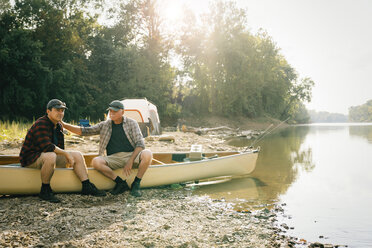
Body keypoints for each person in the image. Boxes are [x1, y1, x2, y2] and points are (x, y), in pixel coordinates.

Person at [19, 99, 106, 203]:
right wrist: (66, 154)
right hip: (30, 158)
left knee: (77, 155)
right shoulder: (41, 124)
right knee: (51, 155)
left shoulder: (58, 126)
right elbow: (47, 146)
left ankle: (86, 185)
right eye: (57, 110)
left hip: (47, 156)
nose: (60, 113)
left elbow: (60, 148)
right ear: (48, 111)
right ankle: (45, 190)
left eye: (62, 111)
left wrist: (67, 157)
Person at [62, 100, 153, 197]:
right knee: (96, 161)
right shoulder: (105, 125)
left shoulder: (132, 123)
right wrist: (63, 124)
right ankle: (120, 183)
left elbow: (140, 144)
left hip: (131, 155)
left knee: (147, 153)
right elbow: (84, 131)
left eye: (115, 111)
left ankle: (136, 183)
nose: (112, 113)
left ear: (122, 112)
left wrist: (130, 161)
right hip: (113, 158)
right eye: (110, 111)